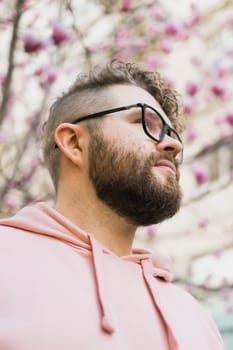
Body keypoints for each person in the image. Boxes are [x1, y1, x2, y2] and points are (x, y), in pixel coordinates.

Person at [0, 60, 224, 350]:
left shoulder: (194, 317)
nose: (173, 145)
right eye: (146, 122)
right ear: (73, 143)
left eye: (171, 133)